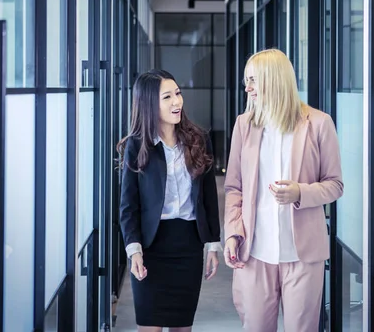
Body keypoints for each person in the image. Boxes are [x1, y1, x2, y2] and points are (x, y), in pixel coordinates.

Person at [223, 48, 343, 332]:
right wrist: (231, 233)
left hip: (302, 256)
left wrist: (300, 192)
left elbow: (335, 185)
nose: (248, 88)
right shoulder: (244, 125)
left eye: (253, 80)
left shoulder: (318, 123)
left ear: (274, 80)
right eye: (246, 81)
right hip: (254, 251)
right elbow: (233, 187)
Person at [118, 70, 222, 332]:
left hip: (187, 246)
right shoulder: (137, 146)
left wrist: (212, 244)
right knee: (149, 327)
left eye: (178, 93)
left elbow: (208, 198)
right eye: (167, 97)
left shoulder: (199, 140)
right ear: (149, 103)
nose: (177, 102)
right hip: (151, 248)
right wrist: (134, 251)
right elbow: (128, 207)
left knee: (181, 328)